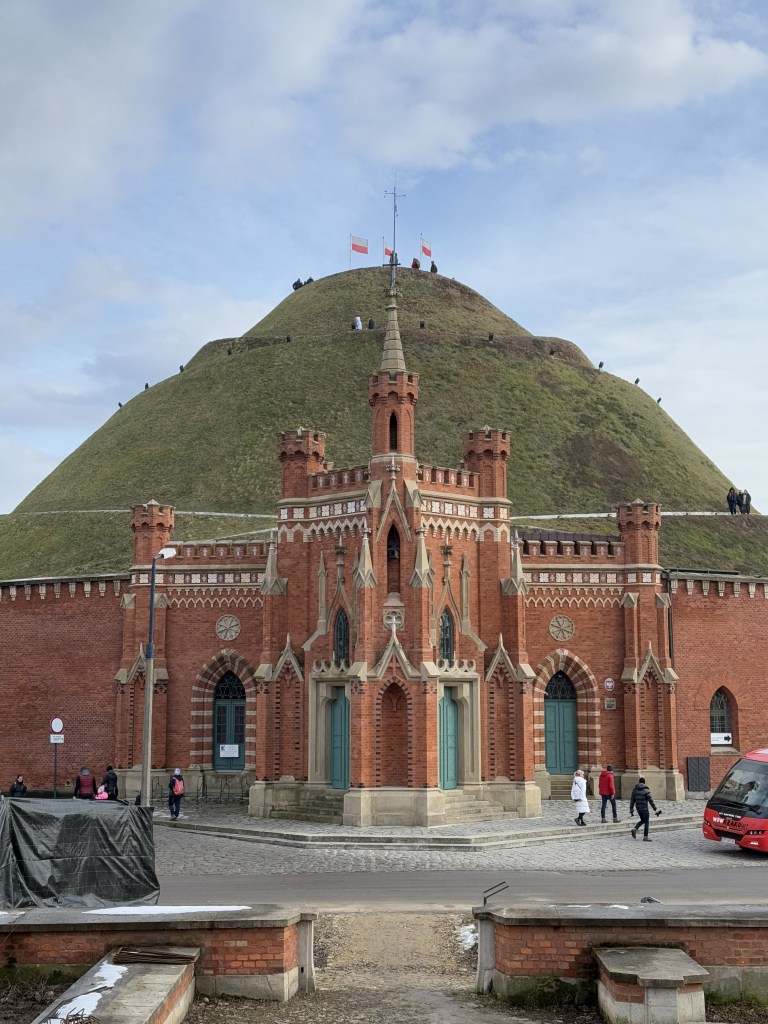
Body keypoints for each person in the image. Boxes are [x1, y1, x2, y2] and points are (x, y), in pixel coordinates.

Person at [629, 776, 661, 841]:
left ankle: (635, 829)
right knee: (646, 821)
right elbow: (651, 801)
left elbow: (632, 801)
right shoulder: (646, 790)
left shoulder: (635, 790)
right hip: (644, 808)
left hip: (638, 808)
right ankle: (645, 836)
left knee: (643, 820)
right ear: (644, 783)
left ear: (639, 782)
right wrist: (655, 809)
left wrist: (631, 810)